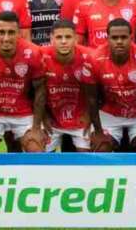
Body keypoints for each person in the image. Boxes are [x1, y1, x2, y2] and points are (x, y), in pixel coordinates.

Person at [0, 11, 47, 153]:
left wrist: (36, 127)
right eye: (1, 32)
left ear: (19, 33)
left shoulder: (34, 53)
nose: (6, 38)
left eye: (11, 33)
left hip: (23, 113)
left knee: (36, 149)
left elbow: (41, 90)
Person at [83, 18, 136, 152]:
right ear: (107, 38)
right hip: (109, 114)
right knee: (101, 148)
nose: (119, 42)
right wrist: (99, 132)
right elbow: (91, 99)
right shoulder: (94, 59)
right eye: (114, 38)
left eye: (123, 37)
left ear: (131, 38)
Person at [39, 20, 96, 152]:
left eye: (68, 37)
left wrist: (89, 114)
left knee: (87, 160)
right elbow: (32, 91)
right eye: (59, 37)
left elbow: (99, 92)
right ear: (51, 38)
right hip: (51, 119)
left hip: (81, 119)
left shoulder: (90, 57)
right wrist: (43, 116)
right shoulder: (40, 56)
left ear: (75, 38)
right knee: (39, 154)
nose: (64, 41)